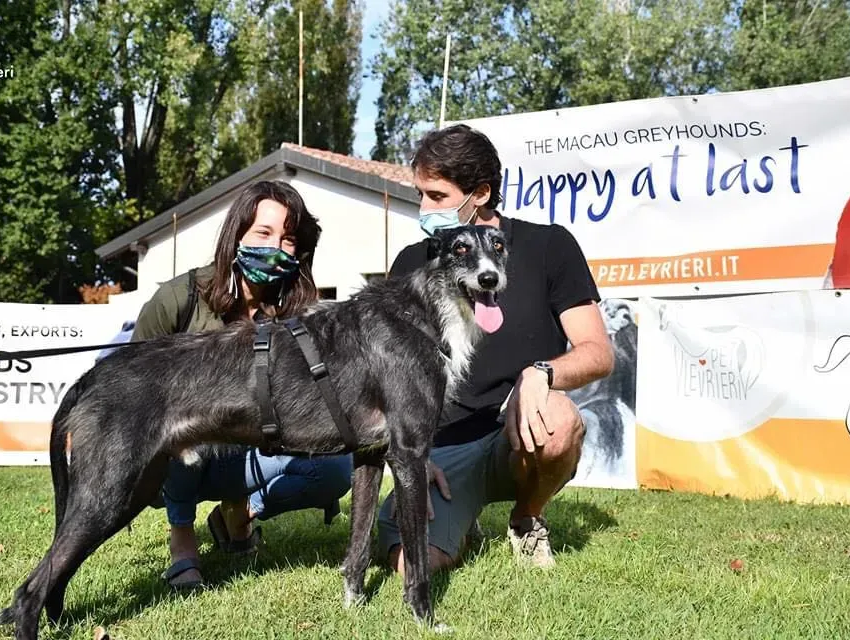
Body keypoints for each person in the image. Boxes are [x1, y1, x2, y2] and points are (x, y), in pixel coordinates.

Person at [378, 124, 614, 573]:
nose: (425, 209)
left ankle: (527, 517)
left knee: (560, 419)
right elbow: (390, 380)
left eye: (438, 196)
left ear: (480, 193)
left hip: (519, 433)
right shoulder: (411, 262)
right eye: (421, 196)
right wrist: (410, 460)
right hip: (440, 449)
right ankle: (460, 522)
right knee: (412, 565)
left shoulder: (549, 246)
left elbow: (597, 351)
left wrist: (541, 373)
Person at [129, 180, 353, 589]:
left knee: (337, 468)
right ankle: (182, 537)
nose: (275, 248)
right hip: (177, 456)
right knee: (181, 420)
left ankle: (243, 509)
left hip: (250, 448)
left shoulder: (297, 310)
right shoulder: (180, 298)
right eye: (263, 234)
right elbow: (133, 381)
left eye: (287, 239)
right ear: (237, 235)